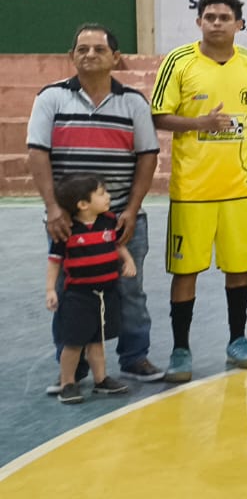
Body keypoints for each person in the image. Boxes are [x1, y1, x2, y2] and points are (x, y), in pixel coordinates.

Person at [27, 22, 163, 388]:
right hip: (69, 221)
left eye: (99, 49)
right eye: (82, 49)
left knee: (130, 290)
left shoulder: (133, 102)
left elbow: (147, 156)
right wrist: (54, 208)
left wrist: (131, 210)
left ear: (115, 57)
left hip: (121, 219)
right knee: (71, 292)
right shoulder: (50, 98)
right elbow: (37, 154)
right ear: (71, 56)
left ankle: (134, 357)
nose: (89, 55)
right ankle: (72, 369)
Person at [151, 0, 247, 381]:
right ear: (199, 22)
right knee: (186, 271)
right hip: (193, 189)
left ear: (239, 24)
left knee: (239, 267)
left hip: (240, 187)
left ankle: (238, 340)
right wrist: (200, 124)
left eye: (224, 17)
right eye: (210, 17)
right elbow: (158, 115)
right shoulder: (179, 62)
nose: (217, 23)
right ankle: (180, 349)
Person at [44, 174, 135, 404]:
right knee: (74, 343)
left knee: (97, 341)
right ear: (83, 204)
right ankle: (67, 383)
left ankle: (101, 380)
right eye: (102, 193)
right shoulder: (67, 229)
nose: (108, 197)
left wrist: (128, 260)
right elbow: (54, 261)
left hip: (106, 294)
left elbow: (117, 244)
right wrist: (50, 290)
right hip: (78, 297)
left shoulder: (109, 221)